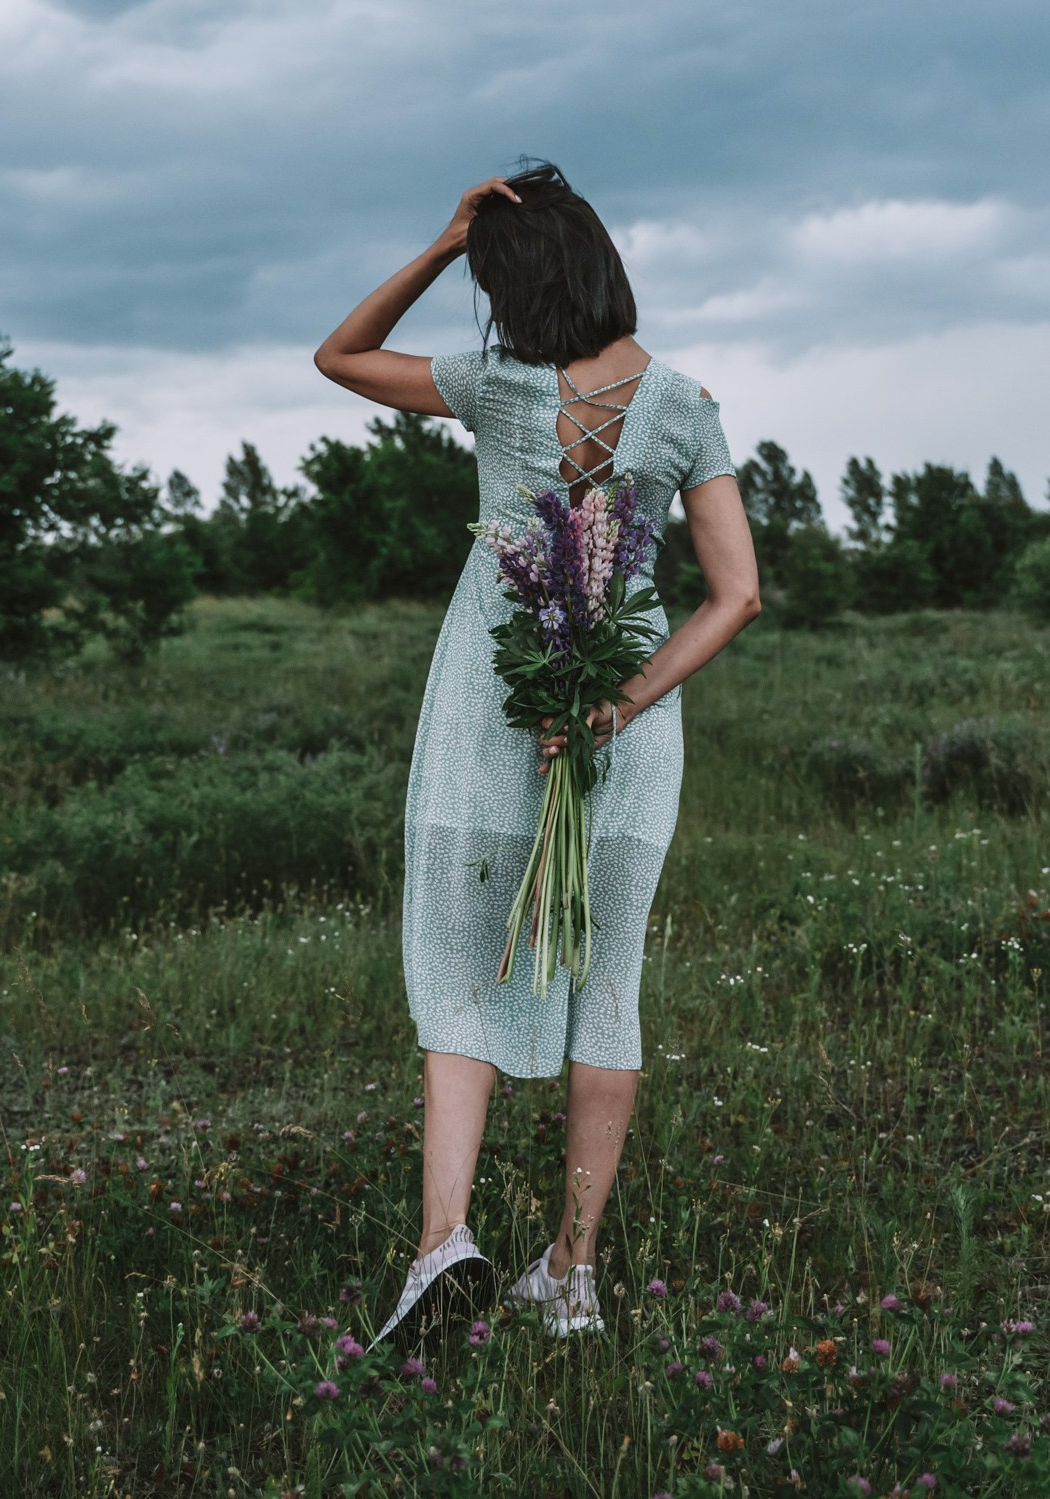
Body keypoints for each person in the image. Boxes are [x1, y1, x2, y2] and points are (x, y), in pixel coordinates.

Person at [312, 163, 762, 1345]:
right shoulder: (683, 401)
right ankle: (570, 1271)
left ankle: (440, 1242)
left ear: (507, 282)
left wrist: (440, 240)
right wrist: (619, 701)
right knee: (604, 987)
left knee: (458, 962)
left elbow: (340, 356)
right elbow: (737, 596)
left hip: (488, 709)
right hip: (629, 721)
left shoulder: (497, 386)